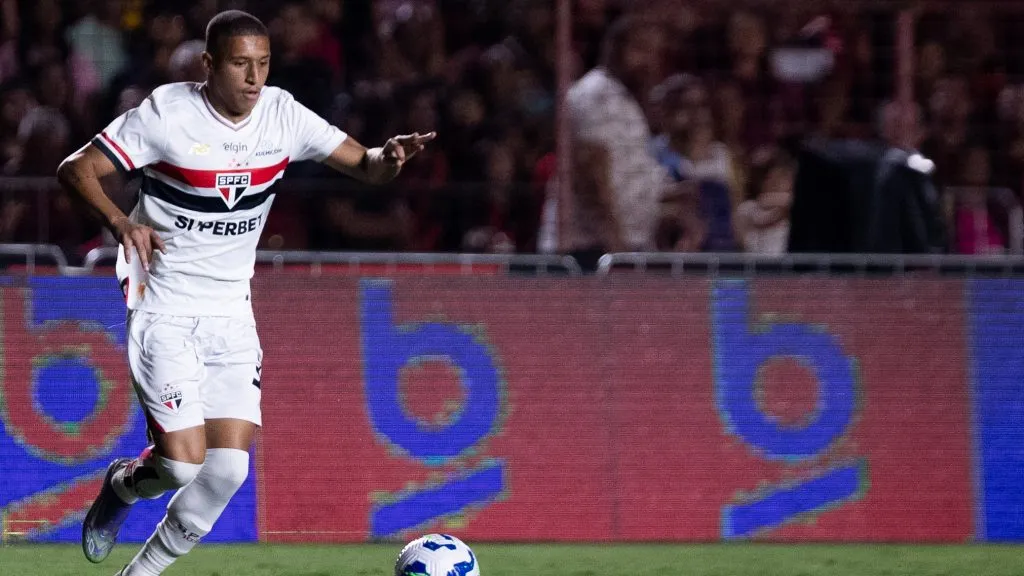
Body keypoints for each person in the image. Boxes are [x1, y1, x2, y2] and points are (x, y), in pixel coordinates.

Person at [56, 10, 434, 576]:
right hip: (166, 304)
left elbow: (365, 166)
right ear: (209, 65)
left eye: (262, 64)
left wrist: (389, 158)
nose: (254, 79)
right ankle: (124, 484)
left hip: (233, 311)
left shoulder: (281, 114)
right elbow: (76, 168)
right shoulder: (167, 114)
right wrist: (121, 223)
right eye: (240, 65)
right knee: (181, 467)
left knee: (228, 471)